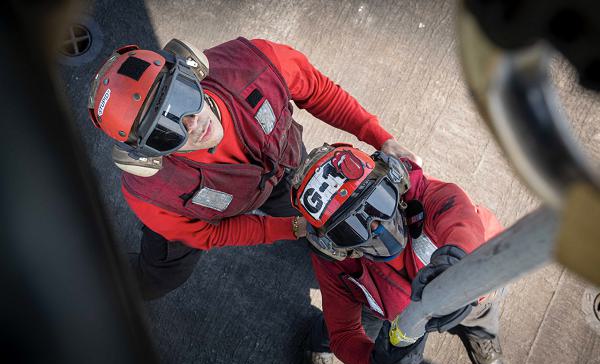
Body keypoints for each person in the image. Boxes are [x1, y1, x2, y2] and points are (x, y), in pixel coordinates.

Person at [87, 37, 420, 300]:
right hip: (196, 217)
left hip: (284, 169)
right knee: (157, 280)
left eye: (182, 97)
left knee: (324, 220)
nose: (192, 123)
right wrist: (289, 229)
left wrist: (379, 138)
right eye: (164, 132)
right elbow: (211, 234)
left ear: (191, 69)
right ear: (146, 158)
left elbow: (319, 91)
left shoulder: (258, 63)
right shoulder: (154, 196)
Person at [290, 143, 506, 364]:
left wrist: (457, 260)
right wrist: (375, 361)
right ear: (331, 244)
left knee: (479, 309)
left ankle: (480, 331)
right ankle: (321, 347)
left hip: (474, 277)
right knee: (337, 326)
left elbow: (461, 221)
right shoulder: (334, 262)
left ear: (395, 178)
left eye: (378, 202)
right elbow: (344, 333)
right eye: (352, 229)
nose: (378, 228)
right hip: (379, 304)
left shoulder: (427, 195)